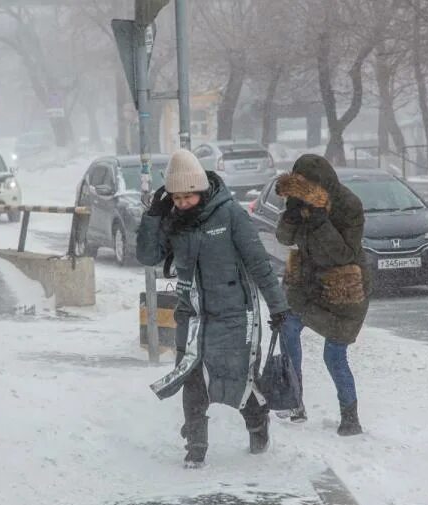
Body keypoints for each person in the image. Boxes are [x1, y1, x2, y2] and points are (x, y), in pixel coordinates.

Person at [137, 149, 289, 468]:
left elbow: (259, 264)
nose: (181, 205)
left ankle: (257, 421)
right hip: (191, 316)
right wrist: (153, 216)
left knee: (237, 379)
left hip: (234, 315)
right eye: (175, 199)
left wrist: (278, 308)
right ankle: (196, 445)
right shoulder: (173, 220)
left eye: (187, 198)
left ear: (201, 190)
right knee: (192, 377)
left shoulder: (230, 214)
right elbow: (149, 256)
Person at [274, 154, 371, 436]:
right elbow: (283, 238)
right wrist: (291, 215)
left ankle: (350, 416)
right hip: (306, 282)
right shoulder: (298, 202)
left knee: (334, 354)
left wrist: (320, 222)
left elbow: (346, 253)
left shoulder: (348, 205)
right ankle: (294, 401)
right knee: (288, 329)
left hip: (344, 287)